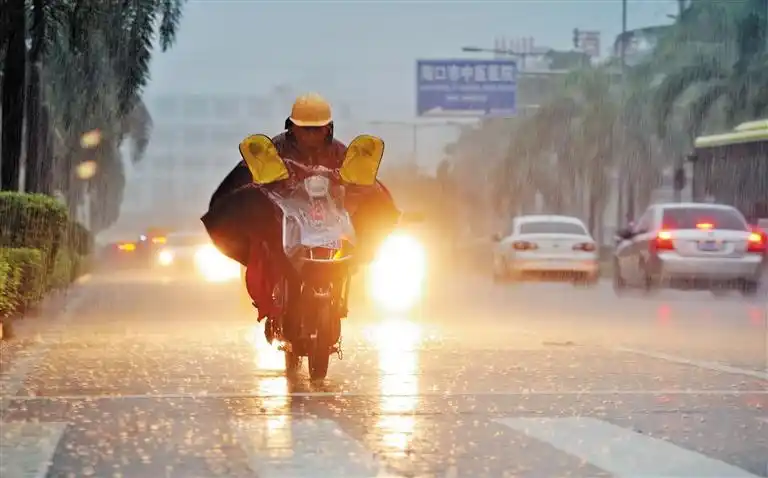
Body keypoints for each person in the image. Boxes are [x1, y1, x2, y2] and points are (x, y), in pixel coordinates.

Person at [201, 93, 400, 338]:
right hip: (284, 224)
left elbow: (362, 178)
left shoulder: (341, 152)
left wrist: (375, 197)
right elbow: (244, 176)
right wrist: (249, 191)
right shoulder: (273, 150)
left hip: (329, 225)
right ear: (291, 126)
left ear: (328, 128)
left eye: (317, 129)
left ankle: (337, 298)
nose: (311, 135)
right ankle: (279, 303)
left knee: (374, 217)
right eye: (305, 129)